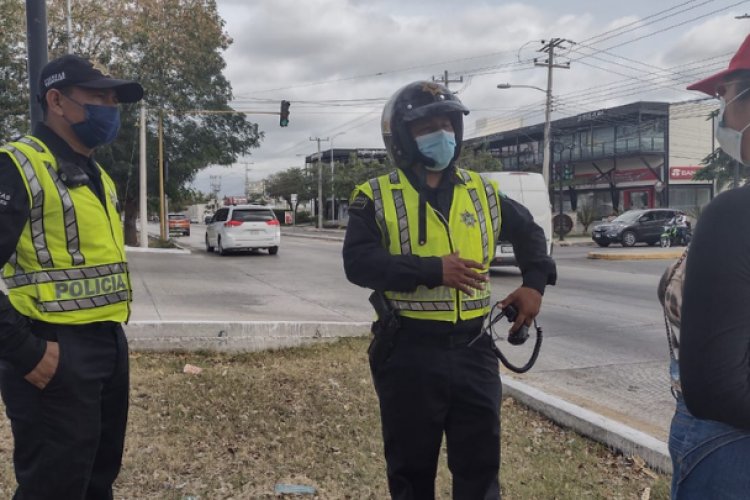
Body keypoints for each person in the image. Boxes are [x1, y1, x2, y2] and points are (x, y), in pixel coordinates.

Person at [342, 81, 556, 499]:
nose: (443, 134)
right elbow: (358, 263)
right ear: (402, 136)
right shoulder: (375, 195)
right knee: (410, 472)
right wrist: (432, 270)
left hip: (474, 349)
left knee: (480, 470)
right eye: (427, 127)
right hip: (408, 350)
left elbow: (531, 234)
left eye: (449, 124)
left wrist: (534, 285)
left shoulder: (483, 192)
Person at [0, 54, 143, 499]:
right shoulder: (18, 165)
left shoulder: (97, 173)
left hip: (107, 345)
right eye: (98, 96)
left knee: (98, 480)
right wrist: (27, 353)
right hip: (53, 350)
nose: (110, 107)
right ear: (57, 101)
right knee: (54, 488)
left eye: (114, 99)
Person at [663, 34, 750, 499]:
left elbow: (715, 387)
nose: (723, 115)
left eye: (727, 97)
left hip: (731, 449)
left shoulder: (734, 213)